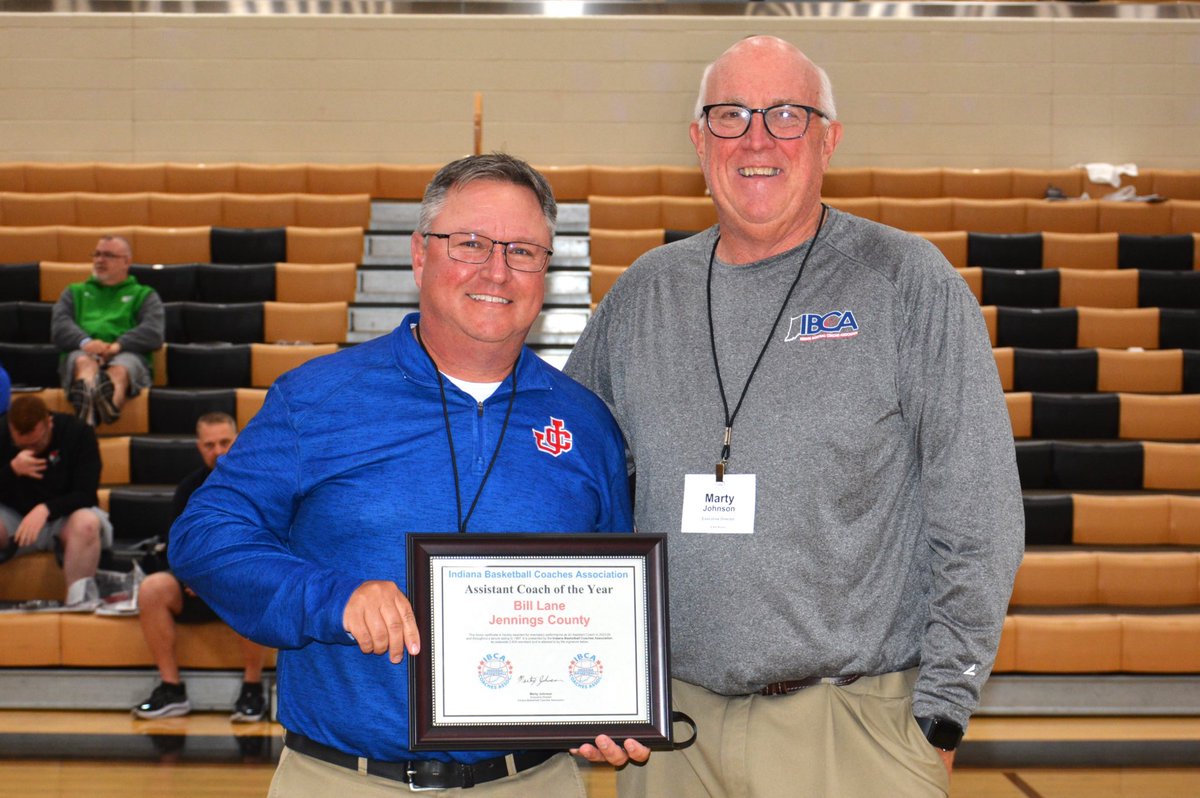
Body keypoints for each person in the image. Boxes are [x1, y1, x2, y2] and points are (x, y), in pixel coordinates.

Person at [565, 36, 1024, 797]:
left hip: (851, 734)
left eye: (785, 115)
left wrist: (940, 719)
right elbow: (568, 483)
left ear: (828, 139)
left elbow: (980, 517)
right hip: (673, 740)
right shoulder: (644, 295)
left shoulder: (908, 285)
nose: (756, 139)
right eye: (730, 115)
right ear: (696, 140)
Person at [170, 153, 649, 795]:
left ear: (547, 268)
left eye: (523, 251)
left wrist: (613, 704)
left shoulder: (586, 423)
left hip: (534, 782)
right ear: (420, 254)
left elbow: (616, 596)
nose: (497, 271)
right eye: (471, 243)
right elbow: (203, 537)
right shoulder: (316, 399)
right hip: (345, 779)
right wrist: (333, 597)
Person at [133, 412, 269, 722]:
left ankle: (252, 689)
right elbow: (177, 547)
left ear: (238, 440)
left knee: (252, 582)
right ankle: (171, 689)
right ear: (199, 447)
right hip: (196, 588)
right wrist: (193, 576)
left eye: (225, 442)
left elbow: (265, 544)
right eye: (210, 445)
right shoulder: (188, 488)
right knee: (153, 589)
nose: (218, 450)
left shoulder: (260, 483)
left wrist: (220, 576)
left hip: (237, 584)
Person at [0, 394, 111, 608]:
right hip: (14, 518)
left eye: (36, 443)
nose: (30, 451)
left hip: (64, 517)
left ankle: (79, 603)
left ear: (48, 422)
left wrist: (46, 509)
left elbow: (86, 494)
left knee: (87, 523)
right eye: (22, 446)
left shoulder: (78, 433)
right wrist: (11, 470)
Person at [51, 235, 164, 426]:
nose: (100, 260)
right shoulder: (74, 292)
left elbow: (153, 332)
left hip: (127, 353)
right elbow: (60, 327)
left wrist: (118, 346)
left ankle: (94, 412)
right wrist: (87, 343)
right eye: (97, 254)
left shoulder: (144, 294)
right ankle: (101, 407)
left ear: (126, 261)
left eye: (108, 255)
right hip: (83, 351)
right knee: (85, 363)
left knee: (120, 370)